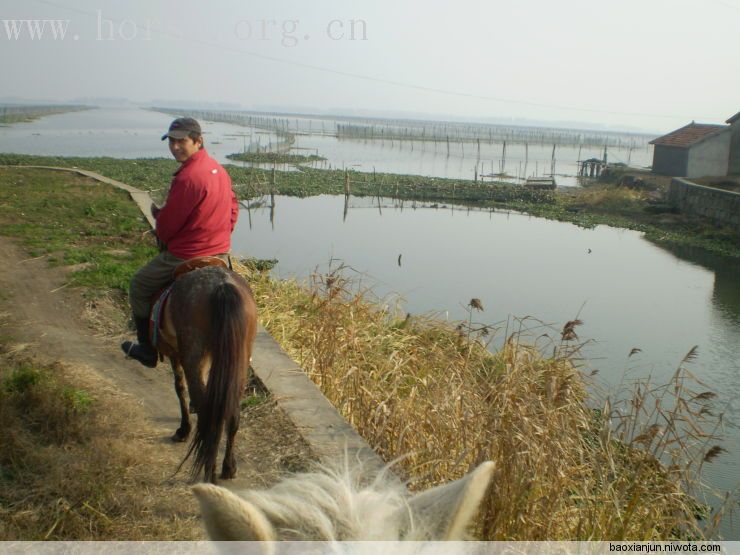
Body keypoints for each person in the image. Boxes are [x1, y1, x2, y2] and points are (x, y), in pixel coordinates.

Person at [121, 117, 239, 367]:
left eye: (181, 141)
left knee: (139, 285)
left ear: (198, 141)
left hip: (188, 254)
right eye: (171, 141)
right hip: (220, 252)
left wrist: (163, 232)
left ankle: (146, 349)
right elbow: (233, 209)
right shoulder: (220, 170)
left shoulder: (188, 177)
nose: (175, 147)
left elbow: (168, 224)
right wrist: (221, 235)